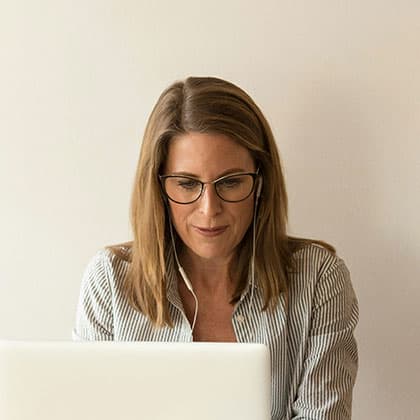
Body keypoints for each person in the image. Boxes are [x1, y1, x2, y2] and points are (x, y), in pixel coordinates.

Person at [73, 76, 359, 419]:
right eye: (187, 183)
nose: (209, 209)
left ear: (261, 181)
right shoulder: (110, 280)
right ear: (159, 187)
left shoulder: (318, 278)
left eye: (231, 182)